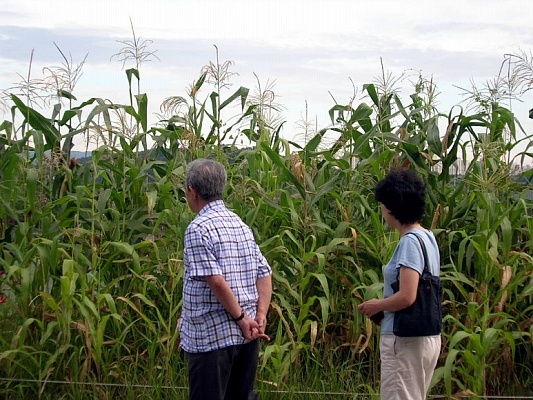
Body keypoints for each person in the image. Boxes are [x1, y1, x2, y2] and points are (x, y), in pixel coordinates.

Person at [179, 158, 273, 400]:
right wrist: (260, 315)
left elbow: (217, 281)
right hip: (248, 336)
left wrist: (242, 319)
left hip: (211, 338)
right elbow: (264, 272)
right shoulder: (240, 225)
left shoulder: (198, 228)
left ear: (192, 191)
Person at [358, 169, 441, 400]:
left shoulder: (409, 243)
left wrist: (378, 306)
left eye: (383, 204)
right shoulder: (428, 238)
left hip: (405, 339)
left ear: (393, 207)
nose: (382, 210)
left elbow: (407, 296)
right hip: (428, 337)